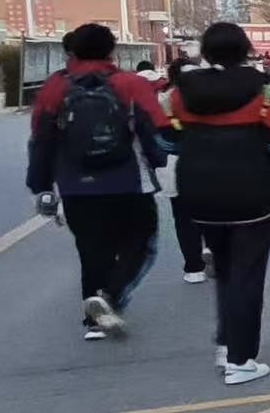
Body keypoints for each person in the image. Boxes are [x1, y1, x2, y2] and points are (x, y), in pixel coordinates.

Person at [158, 22, 270, 386]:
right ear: (244, 49)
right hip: (256, 199)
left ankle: (226, 343)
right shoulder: (265, 95)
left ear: (206, 51)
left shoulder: (179, 95)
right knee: (247, 274)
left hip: (200, 197)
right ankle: (240, 359)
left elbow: (166, 144)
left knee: (224, 271)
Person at [25, 22, 169, 339]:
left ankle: (93, 322)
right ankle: (109, 298)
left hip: (75, 186)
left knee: (91, 249)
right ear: (111, 50)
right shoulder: (130, 83)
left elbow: (41, 139)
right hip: (128, 182)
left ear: (72, 51)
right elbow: (154, 126)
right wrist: (159, 160)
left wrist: (42, 186)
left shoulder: (55, 87)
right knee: (141, 244)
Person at [161, 59, 213, 285]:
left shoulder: (165, 99)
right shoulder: (217, 98)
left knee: (183, 218)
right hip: (214, 164)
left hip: (178, 165)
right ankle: (213, 247)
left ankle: (194, 268)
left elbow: (162, 140)